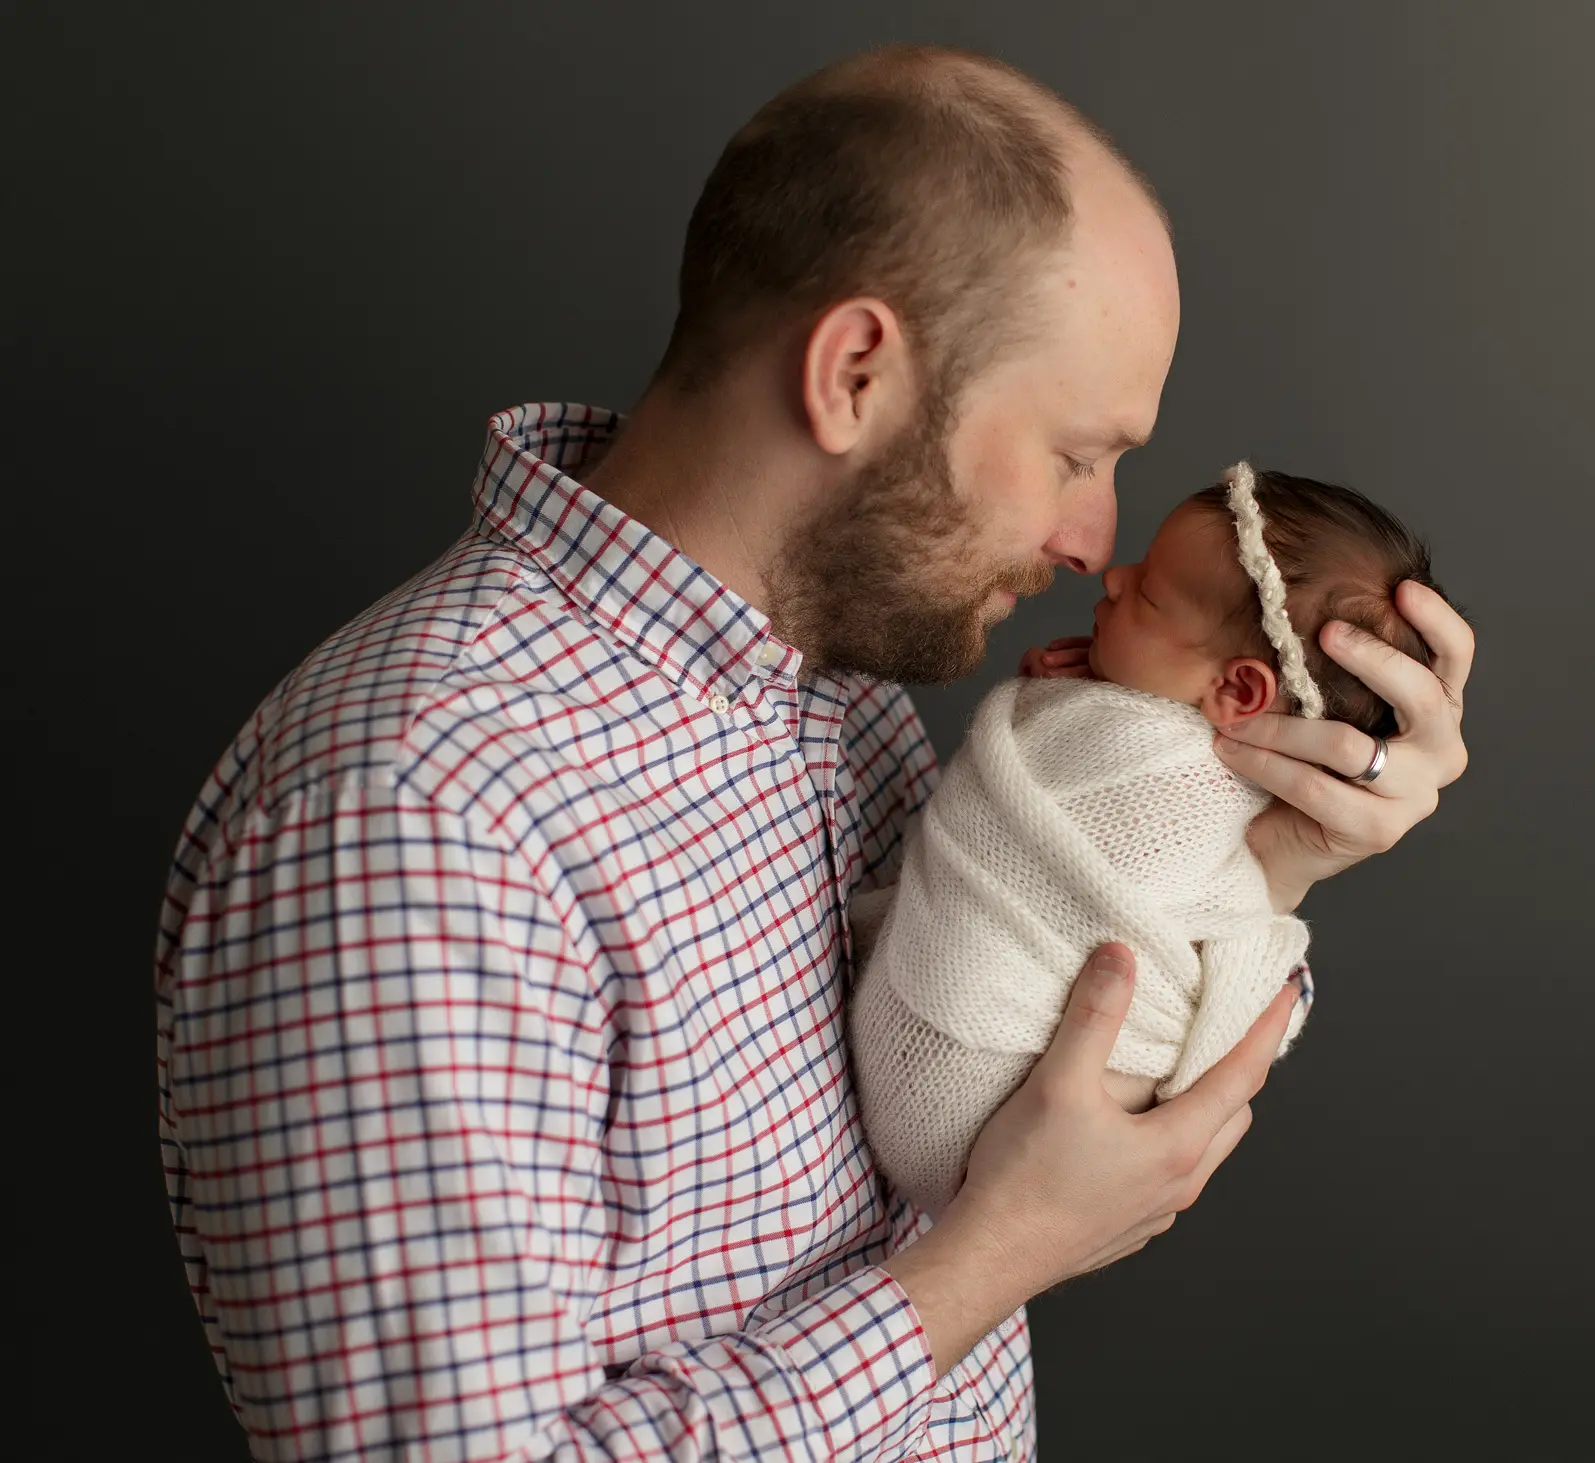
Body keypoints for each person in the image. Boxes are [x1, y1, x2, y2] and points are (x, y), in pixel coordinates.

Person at [154, 43, 1473, 1462]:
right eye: (1079, 453)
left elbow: (1053, 1038)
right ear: (854, 373)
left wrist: (1278, 851)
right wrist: (984, 1264)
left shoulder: (836, 699)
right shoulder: (415, 817)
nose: (1098, 539)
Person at [851, 464, 1450, 1215]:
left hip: (979, 1100)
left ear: (1239, 692)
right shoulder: (1194, 769)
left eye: (1151, 595)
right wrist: (1066, 703)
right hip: (977, 1145)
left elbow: (1111, 839)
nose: (1113, 577)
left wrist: (1054, 707)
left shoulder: (1191, 785)